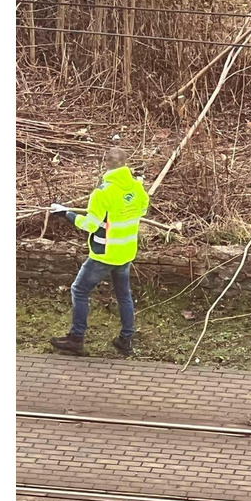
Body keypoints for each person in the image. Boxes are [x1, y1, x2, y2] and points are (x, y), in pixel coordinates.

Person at [47, 146, 150, 356]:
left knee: (79, 290)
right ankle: (126, 339)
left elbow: (91, 225)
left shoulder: (102, 193)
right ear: (126, 163)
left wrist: (66, 214)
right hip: (126, 252)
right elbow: (142, 209)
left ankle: (76, 338)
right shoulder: (137, 187)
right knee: (123, 295)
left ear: (106, 164)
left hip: (105, 253)